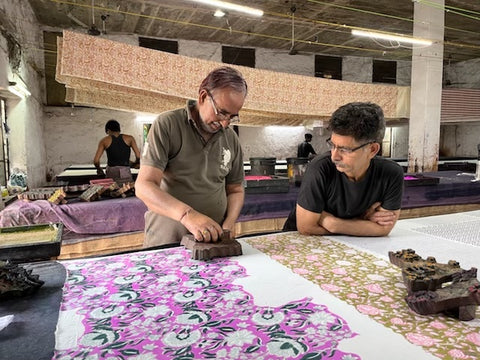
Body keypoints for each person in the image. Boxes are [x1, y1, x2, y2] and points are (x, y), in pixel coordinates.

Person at [135, 66, 247, 247]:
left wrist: (228, 225)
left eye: (232, 117)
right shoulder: (168, 125)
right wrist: (187, 215)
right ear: (203, 96)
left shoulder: (230, 139)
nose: (225, 123)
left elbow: (235, 190)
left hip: (212, 243)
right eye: (221, 112)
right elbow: (144, 186)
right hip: (167, 241)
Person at [283, 102, 404, 237]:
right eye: (333, 145)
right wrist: (359, 222)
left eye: (345, 149)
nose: (334, 156)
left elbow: (383, 229)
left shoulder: (391, 174)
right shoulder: (320, 167)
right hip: (300, 241)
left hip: (354, 244)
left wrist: (334, 224)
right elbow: (307, 228)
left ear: (372, 149)